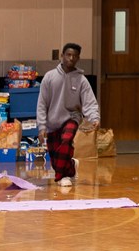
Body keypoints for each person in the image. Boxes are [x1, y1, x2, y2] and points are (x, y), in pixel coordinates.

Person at [35, 42, 99, 188]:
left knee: (66, 140)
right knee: (55, 155)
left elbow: (89, 101)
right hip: (52, 121)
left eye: (75, 56)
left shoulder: (82, 80)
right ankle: (71, 165)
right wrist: (42, 126)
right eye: (68, 55)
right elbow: (42, 104)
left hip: (72, 117)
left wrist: (94, 118)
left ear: (78, 59)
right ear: (62, 56)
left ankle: (62, 176)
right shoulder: (49, 78)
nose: (71, 58)